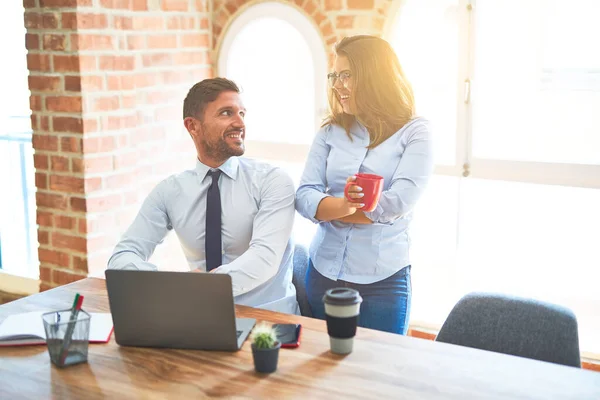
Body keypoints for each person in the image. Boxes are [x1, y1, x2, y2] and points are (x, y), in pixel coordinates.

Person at [108, 77, 299, 315]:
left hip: (270, 319)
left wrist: (199, 288)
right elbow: (122, 257)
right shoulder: (170, 191)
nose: (240, 123)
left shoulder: (272, 181)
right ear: (193, 126)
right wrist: (173, 286)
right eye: (226, 113)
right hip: (204, 316)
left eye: (242, 113)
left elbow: (264, 260)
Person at [295, 35, 434, 334]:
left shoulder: (415, 131)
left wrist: (331, 209)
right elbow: (305, 196)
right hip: (323, 273)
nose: (337, 85)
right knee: (323, 367)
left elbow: (397, 203)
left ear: (374, 76)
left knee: (379, 371)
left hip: (382, 282)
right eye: (335, 75)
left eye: (347, 75)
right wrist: (346, 206)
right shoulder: (331, 131)